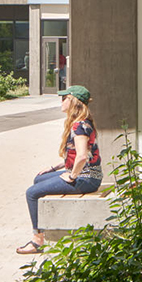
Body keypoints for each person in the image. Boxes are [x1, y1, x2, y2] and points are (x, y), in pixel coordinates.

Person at [18, 85, 101, 254]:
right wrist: (55, 167)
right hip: (88, 176)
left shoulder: (79, 126)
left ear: (74, 103)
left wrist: (72, 176)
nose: (62, 101)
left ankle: (37, 240)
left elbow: (83, 156)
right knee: (38, 179)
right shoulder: (81, 123)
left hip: (86, 179)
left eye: (65, 98)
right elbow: (80, 154)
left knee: (31, 193)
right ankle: (44, 227)